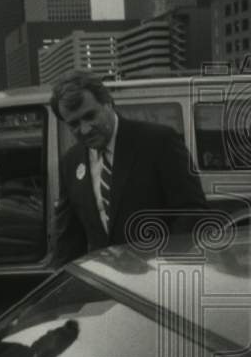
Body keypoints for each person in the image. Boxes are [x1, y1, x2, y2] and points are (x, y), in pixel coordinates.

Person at [51, 72, 207, 263]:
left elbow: (192, 212)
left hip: (154, 283)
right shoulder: (70, 163)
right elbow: (69, 239)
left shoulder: (159, 142)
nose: (85, 129)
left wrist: (164, 264)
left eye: (90, 116)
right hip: (107, 284)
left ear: (108, 103)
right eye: (74, 124)